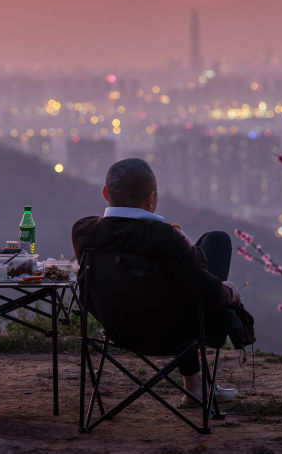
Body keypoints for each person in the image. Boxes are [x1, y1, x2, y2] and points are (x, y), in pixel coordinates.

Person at [72, 157, 243, 407]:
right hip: (174, 331)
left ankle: (195, 385)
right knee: (217, 241)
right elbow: (207, 294)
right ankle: (195, 386)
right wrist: (228, 292)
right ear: (152, 198)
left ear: (106, 193)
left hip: (117, 328)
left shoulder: (84, 231)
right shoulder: (165, 237)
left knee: (198, 256)